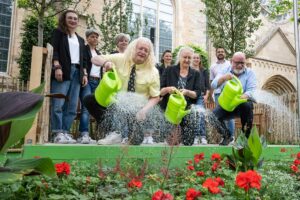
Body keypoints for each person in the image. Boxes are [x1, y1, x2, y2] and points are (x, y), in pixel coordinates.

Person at [83, 37, 160, 145]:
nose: (143, 52)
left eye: (146, 50)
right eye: (140, 48)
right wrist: (106, 63)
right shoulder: (121, 58)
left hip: (137, 110)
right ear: (134, 48)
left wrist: (144, 111)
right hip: (116, 104)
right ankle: (113, 133)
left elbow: (155, 97)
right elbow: (95, 59)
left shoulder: (153, 71)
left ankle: (130, 135)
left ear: (149, 54)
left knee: (135, 141)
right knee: (89, 99)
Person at [50, 10, 88, 144]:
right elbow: (54, 50)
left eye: (75, 19)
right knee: (58, 103)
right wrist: (57, 66)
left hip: (77, 72)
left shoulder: (80, 39)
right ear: (64, 20)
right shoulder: (59, 33)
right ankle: (57, 133)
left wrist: (84, 74)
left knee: (72, 106)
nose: (73, 20)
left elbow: (83, 59)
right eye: (70, 18)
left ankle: (65, 132)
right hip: (64, 70)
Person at [211, 52, 257, 145]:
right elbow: (213, 85)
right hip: (227, 104)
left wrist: (245, 96)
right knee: (212, 117)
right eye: (237, 63)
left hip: (241, 105)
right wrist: (224, 78)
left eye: (242, 63)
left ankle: (245, 139)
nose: (240, 65)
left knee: (247, 105)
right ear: (231, 61)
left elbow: (251, 90)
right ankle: (227, 136)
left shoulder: (250, 73)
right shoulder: (225, 70)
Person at [160, 46, 202, 146]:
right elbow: (160, 91)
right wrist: (167, 89)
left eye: (189, 58)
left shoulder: (196, 74)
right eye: (184, 57)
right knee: (173, 142)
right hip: (171, 110)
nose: (187, 60)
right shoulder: (169, 70)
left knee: (188, 142)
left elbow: (197, 93)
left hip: (187, 110)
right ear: (179, 57)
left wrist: (187, 92)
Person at [77, 28, 102, 144]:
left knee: (97, 108)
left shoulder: (99, 53)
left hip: (98, 82)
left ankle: (98, 134)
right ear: (87, 38)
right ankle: (84, 134)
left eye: (96, 37)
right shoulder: (84, 49)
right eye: (92, 36)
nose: (95, 38)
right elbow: (84, 63)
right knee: (86, 107)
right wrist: (85, 74)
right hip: (87, 80)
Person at [209, 47, 235, 144]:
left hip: (228, 92)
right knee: (219, 115)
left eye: (222, 51)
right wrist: (210, 95)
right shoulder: (212, 67)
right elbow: (211, 81)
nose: (220, 53)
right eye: (218, 51)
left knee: (230, 115)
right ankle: (226, 136)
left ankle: (232, 137)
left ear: (225, 53)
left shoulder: (230, 64)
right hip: (217, 93)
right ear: (216, 53)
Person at [191, 52, 209, 145]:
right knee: (192, 115)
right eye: (194, 58)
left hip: (200, 95)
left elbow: (207, 85)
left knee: (200, 115)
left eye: (197, 58)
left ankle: (202, 136)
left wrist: (206, 96)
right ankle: (194, 136)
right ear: (191, 59)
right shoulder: (189, 70)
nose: (196, 59)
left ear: (200, 60)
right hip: (190, 95)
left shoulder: (204, 70)